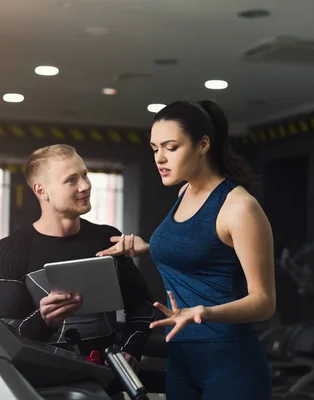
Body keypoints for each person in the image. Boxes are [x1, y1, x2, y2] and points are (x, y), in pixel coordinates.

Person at [97, 100, 275, 399]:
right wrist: (149, 247)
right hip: (181, 358)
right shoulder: (184, 191)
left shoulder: (239, 207)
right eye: (155, 149)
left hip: (229, 363)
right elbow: (202, 252)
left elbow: (264, 302)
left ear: (203, 144)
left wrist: (201, 312)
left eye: (171, 147)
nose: (160, 158)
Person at [0, 144, 155, 374]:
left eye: (84, 174)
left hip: (105, 379)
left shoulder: (108, 239)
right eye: (71, 180)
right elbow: (1, 336)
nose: (85, 186)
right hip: (44, 383)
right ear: (41, 190)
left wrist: (130, 350)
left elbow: (141, 303)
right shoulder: (8, 252)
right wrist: (42, 320)